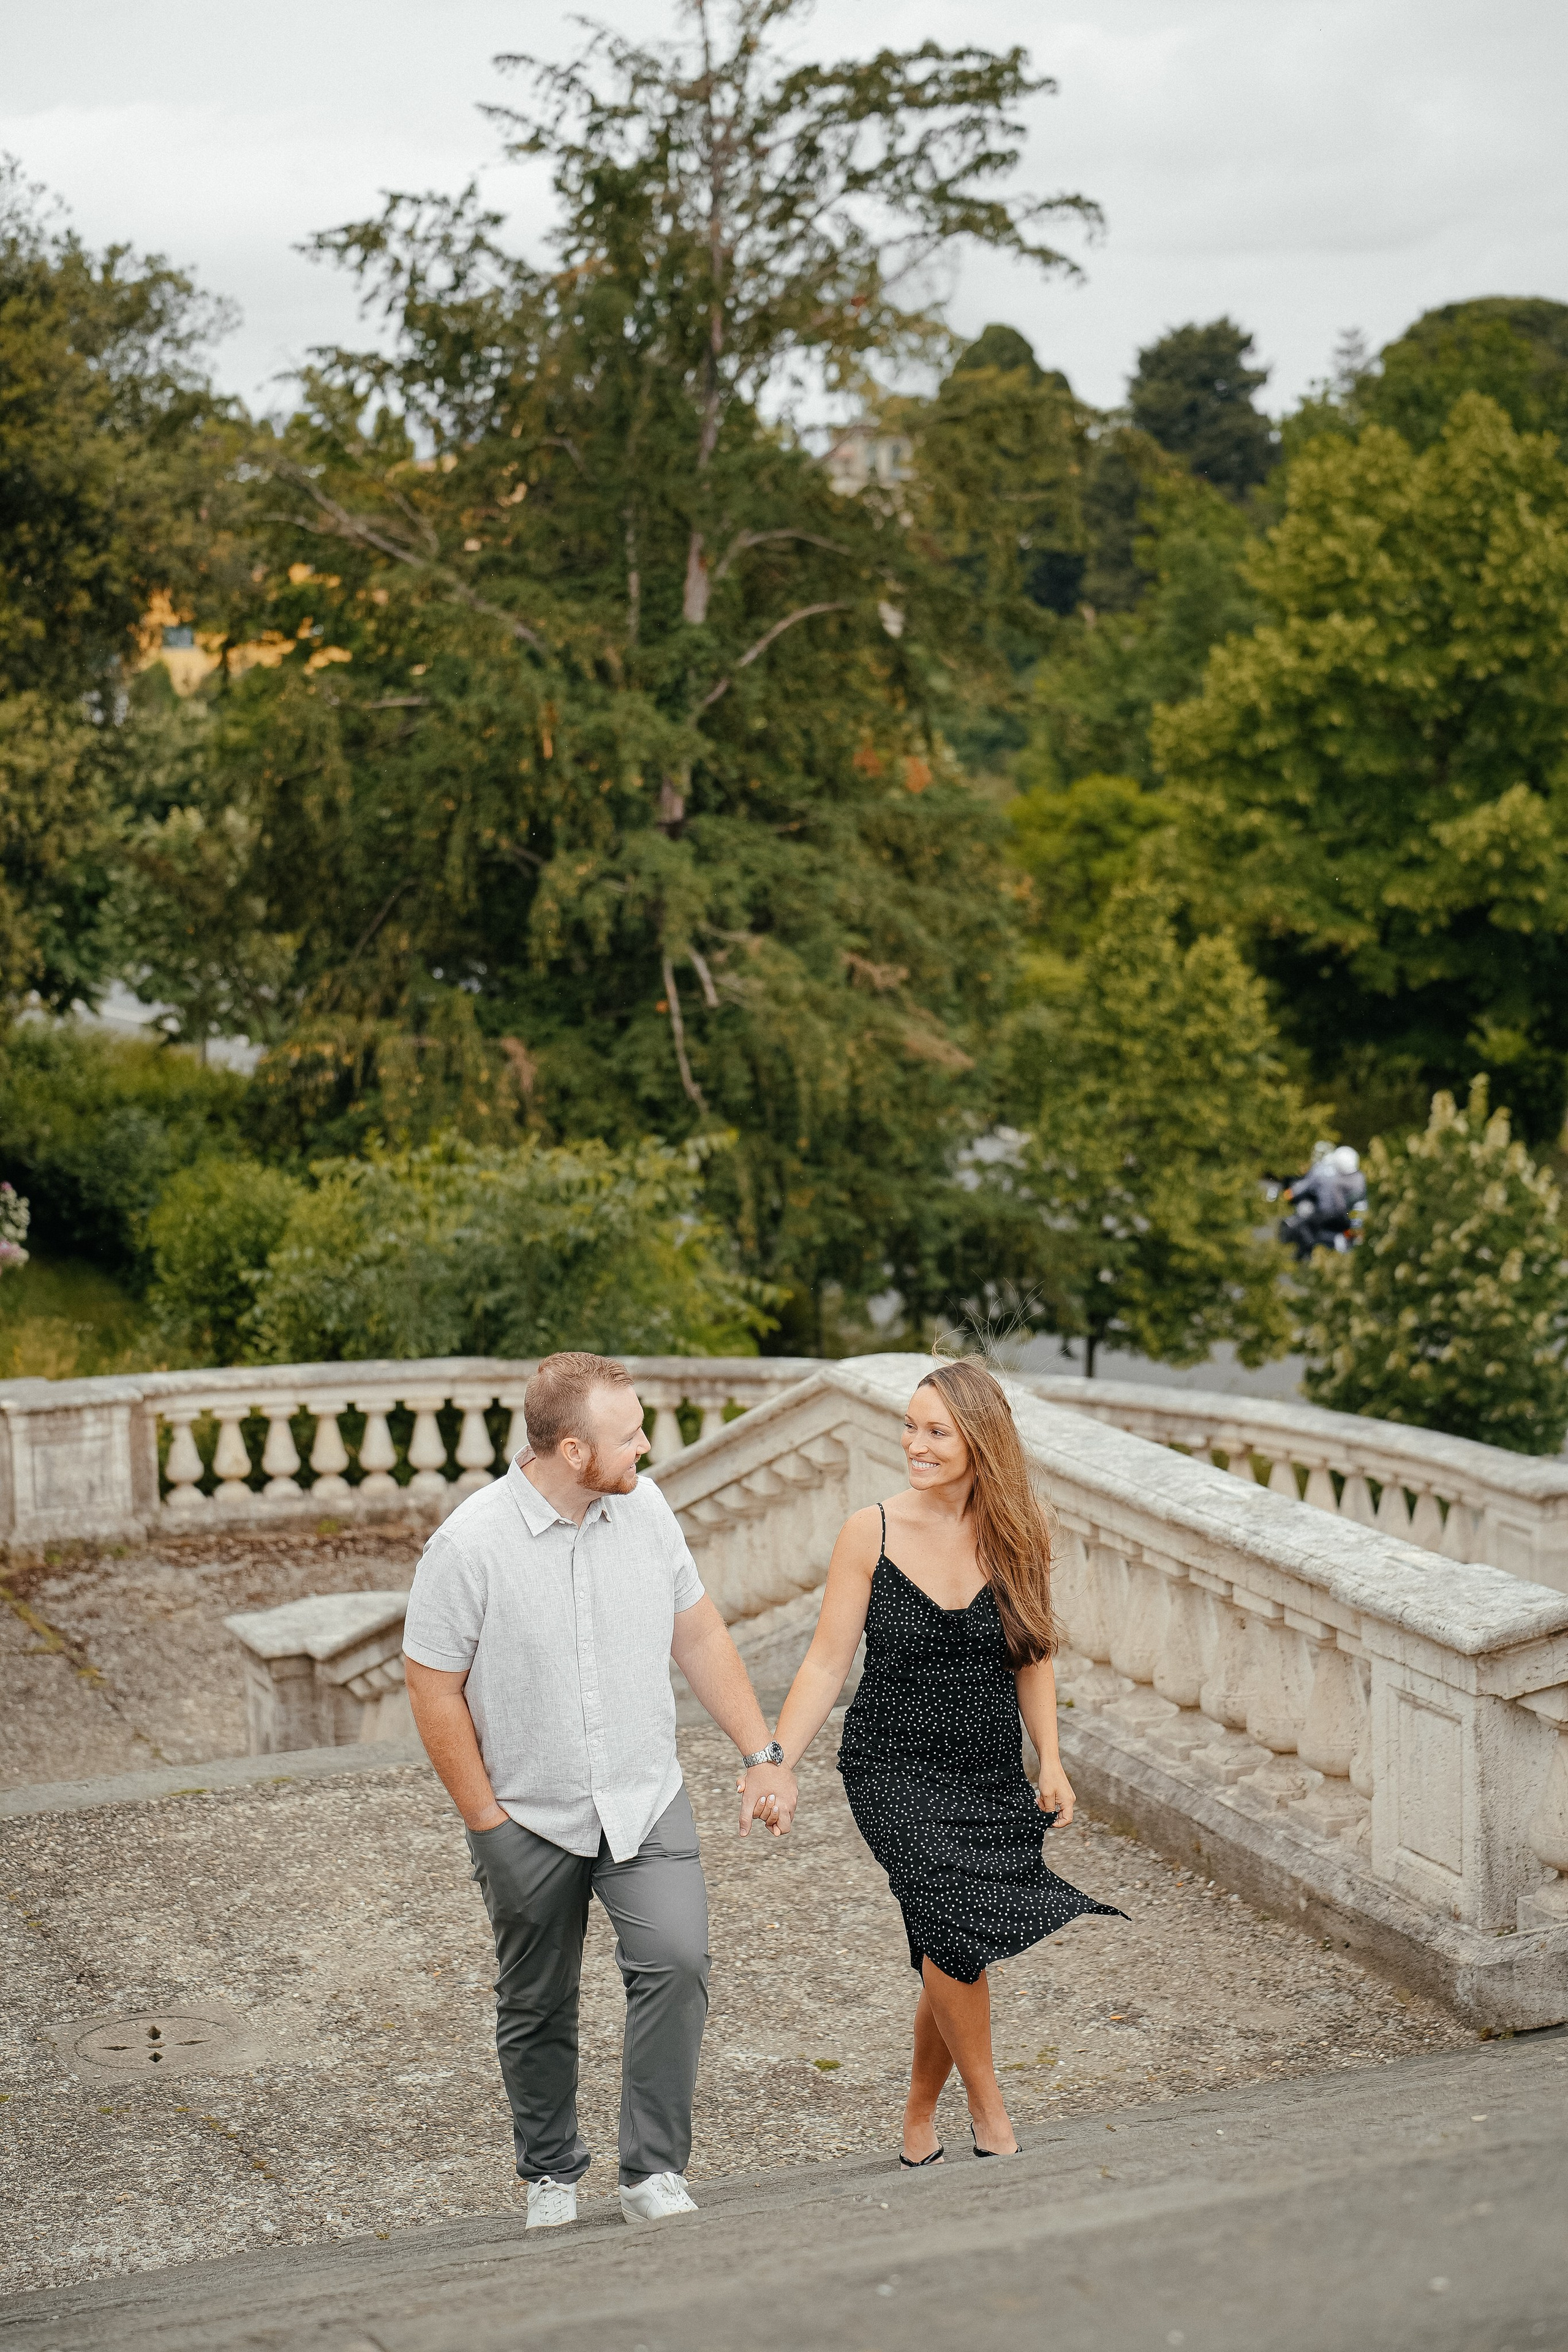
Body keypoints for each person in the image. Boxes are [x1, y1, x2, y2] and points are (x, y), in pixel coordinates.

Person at [402, 1351, 797, 2232]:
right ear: (573, 1451)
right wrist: (487, 1824)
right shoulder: (468, 1546)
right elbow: (431, 1686)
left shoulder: (647, 1510)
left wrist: (761, 1751)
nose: (647, 1447)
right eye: (629, 1435)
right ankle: (550, 2173)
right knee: (536, 2001)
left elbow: (696, 1633)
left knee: (678, 1962)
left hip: (643, 1797)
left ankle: (652, 2171)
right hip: (527, 1817)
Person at [771, 1356, 1121, 2166]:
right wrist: (776, 1758)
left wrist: (1052, 1761)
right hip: (891, 1767)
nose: (915, 1445)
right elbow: (826, 1664)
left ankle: (919, 2112)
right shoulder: (873, 1531)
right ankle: (992, 2114)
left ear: (980, 1442)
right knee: (944, 1912)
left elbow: (1034, 1654)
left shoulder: (1019, 1531)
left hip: (986, 1767)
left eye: (936, 1431)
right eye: (910, 1426)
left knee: (947, 1939)